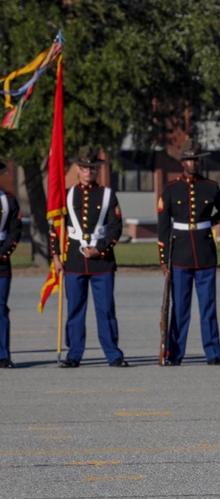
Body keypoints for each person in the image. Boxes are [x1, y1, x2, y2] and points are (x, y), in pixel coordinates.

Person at [157, 138, 220, 366]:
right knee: (180, 308)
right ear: (183, 162)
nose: (193, 163)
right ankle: (174, 353)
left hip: (204, 253)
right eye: (189, 160)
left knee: (208, 306)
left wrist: (209, 222)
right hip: (180, 255)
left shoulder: (210, 187)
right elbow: (163, 227)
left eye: (196, 160)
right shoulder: (171, 189)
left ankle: (213, 352)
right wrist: (164, 259)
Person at [51, 147, 128, 368]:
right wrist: (55, 255)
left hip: (102, 260)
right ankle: (74, 354)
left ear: (97, 170)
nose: (88, 171)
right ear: (77, 168)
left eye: (92, 168)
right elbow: (55, 228)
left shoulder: (107, 195)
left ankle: (113, 354)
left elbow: (115, 228)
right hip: (74, 259)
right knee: (75, 309)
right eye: (84, 167)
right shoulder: (66, 195)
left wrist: (100, 249)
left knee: (106, 309)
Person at [0, 163, 22, 369]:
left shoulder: (8, 200)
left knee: (0, 309)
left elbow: (15, 230)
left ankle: (3, 355)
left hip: (1, 260)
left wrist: (3, 253)